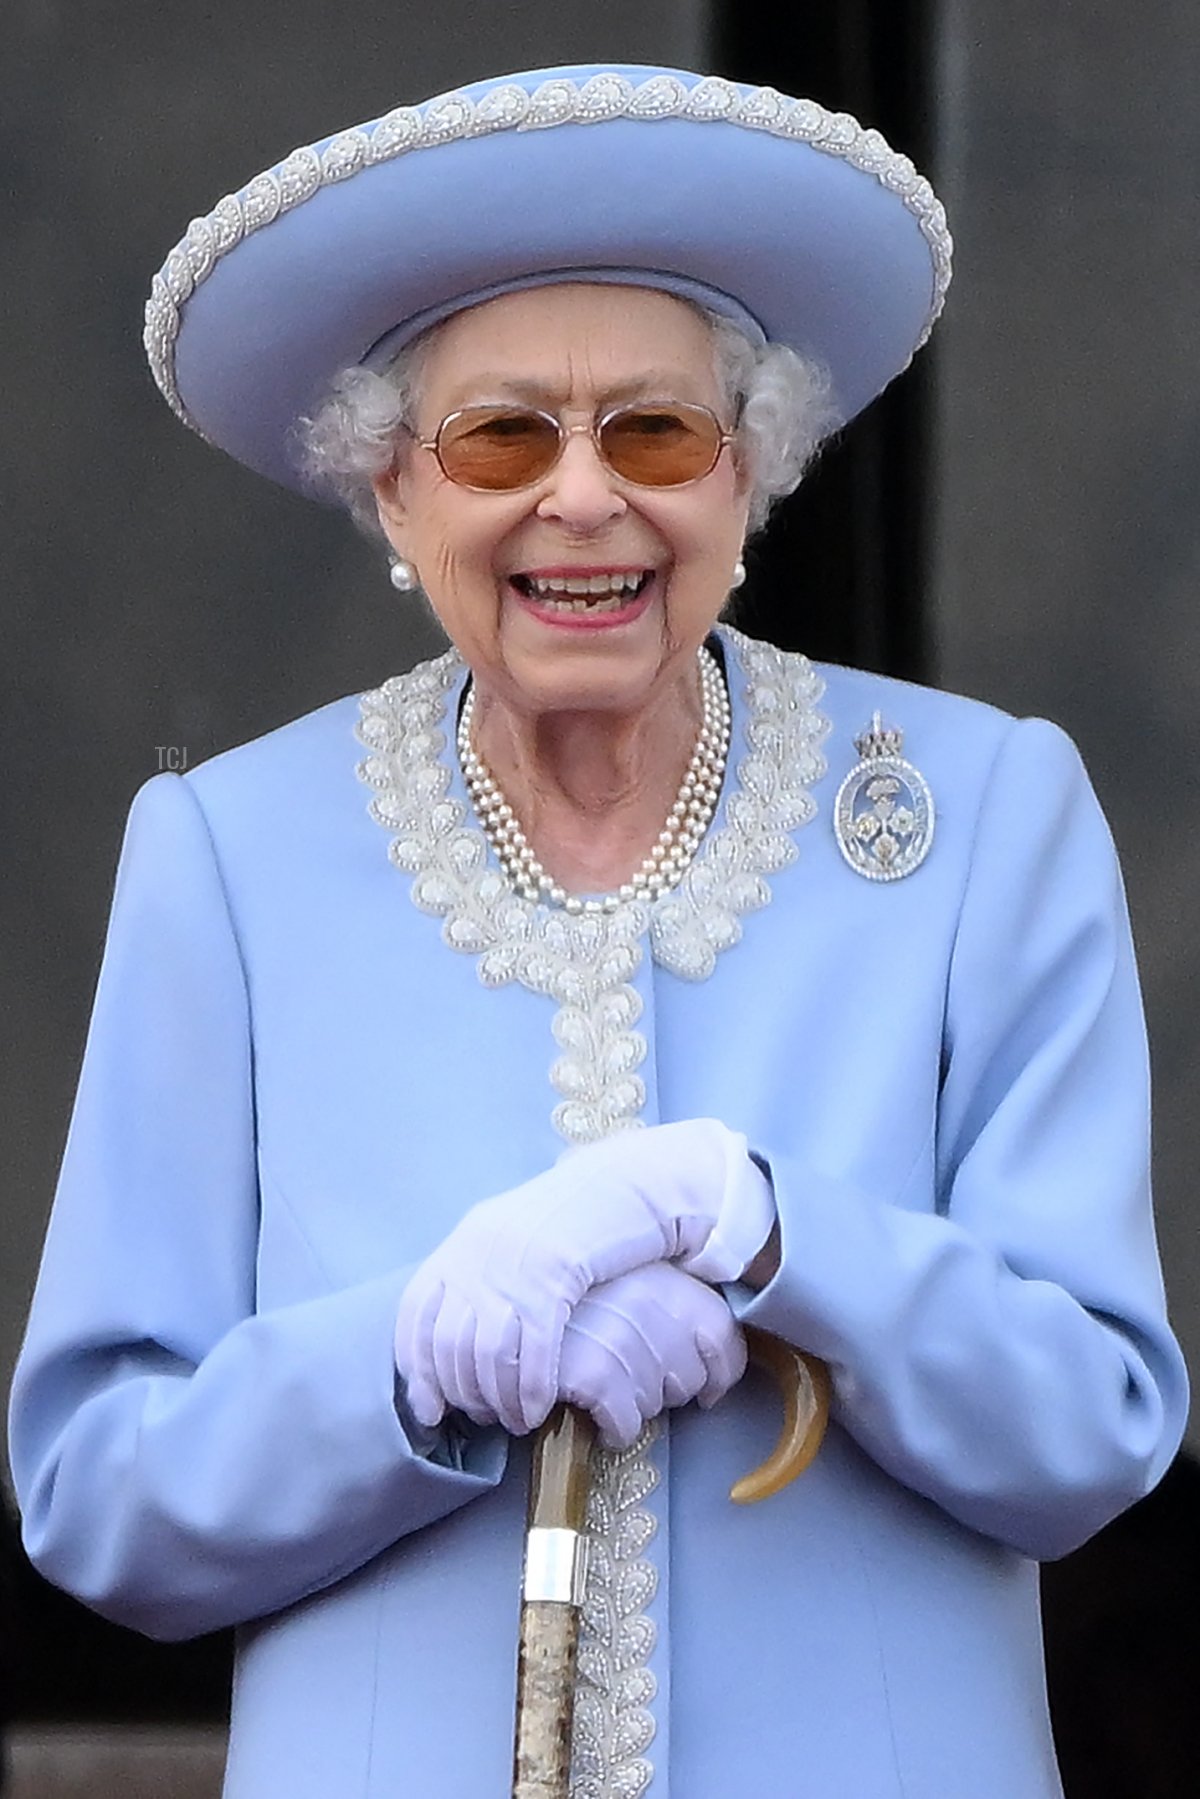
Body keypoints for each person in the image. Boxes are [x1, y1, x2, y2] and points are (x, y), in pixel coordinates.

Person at [7, 61, 1188, 1799]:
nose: (583, 501)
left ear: (745, 480)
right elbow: (102, 1500)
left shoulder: (981, 817)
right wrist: (412, 1355)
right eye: (500, 436)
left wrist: (777, 1234)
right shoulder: (229, 857)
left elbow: (1092, 1429)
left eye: (656, 431)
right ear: (393, 496)